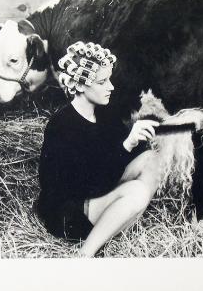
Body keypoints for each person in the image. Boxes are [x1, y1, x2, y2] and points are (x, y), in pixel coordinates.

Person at [36, 41, 160, 257]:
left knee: (152, 158)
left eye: (109, 79)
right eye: (103, 81)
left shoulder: (105, 113)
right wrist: (126, 145)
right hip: (69, 211)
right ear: (81, 85)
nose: (111, 86)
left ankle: (117, 221)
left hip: (99, 189)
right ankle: (86, 254)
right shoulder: (62, 125)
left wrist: (136, 140)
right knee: (137, 191)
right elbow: (88, 184)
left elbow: (117, 159)